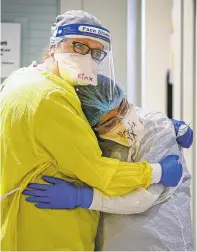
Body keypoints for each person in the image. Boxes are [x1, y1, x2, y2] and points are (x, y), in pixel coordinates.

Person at [0, 10, 183, 251]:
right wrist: (155, 173)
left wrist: (162, 124)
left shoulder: (25, 79)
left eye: (96, 52)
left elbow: (113, 108)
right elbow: (99, 172)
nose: (87, 57)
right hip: (46, 232)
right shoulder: (49, 98)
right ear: (55, 45)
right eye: (79, 46)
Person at [24, 75, 193, 251]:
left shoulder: (154, 127)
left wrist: (83, 197)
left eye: (123, 108)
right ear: (90, 128)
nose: (123, 122)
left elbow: (143, 198)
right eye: (110, 123)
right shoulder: (91, 143)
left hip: (160, 243)